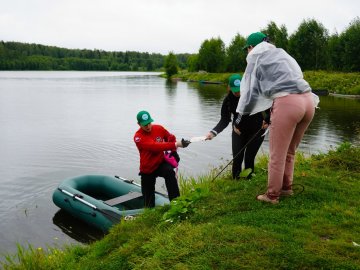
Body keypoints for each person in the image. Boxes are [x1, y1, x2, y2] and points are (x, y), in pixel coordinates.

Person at [234, 32, 318, 204]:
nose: (247, 52)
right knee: (290, 151)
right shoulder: (282, 54)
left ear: (251, 47)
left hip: (288, 104)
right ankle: (287, 188)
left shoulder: (255, 58)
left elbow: (249, 93)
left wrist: (242, 115)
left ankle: (272, 195)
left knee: (276, 154)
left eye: (247, 49)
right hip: (308, 100)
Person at [205, 74, 268, 179]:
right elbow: (224, 120)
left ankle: (248, 181)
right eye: (234, 90)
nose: (237, 92)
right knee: (237, 158)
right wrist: (213, 132)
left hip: (257, 130)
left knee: (249, 158)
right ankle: (235, 181)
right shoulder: (228, 100)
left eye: (239, 89)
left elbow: (269, 110)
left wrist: (267, 121)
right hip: (238, 132)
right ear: (229, 87)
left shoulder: (254, 96)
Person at [134, 110, 190, 207]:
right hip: (147, 168)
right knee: (148, 199)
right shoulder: (138, 137)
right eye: (144, 125)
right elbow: (155, 146)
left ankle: (177, 203)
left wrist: (173, 151)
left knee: (169, 172)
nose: (148, 126)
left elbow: (170, 137)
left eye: (149, 123)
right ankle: (149, 212)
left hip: (160, 162)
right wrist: (177, 144)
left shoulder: (159, 128)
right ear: (139, 124)